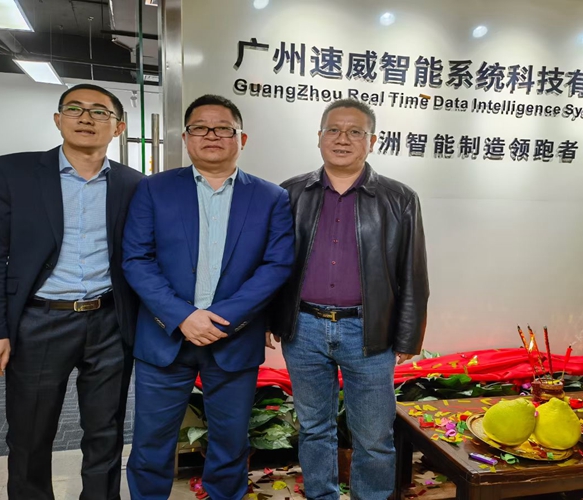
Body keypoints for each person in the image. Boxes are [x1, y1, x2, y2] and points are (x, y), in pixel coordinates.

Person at [0, 84, 143, 500]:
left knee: (106, 432)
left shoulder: (133, 184)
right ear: (58, 119)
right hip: (39, 320)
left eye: (99, 112)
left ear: (118, 127)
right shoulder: (10, 172)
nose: (86, 118)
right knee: (30, 433)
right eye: (74, 108)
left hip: (110, 322)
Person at [123, 94, 295, 500]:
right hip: (165, 337)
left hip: (233, 337)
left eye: (223, 128)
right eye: (200, 127)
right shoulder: (154, 189)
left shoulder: (272, 197)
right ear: (186, 138)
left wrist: (221, 318)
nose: (211, 135)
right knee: (151, 443)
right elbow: (136, 259)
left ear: (242, 138)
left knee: (230, 443)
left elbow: (276, 266)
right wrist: (183, 316)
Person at [268, 99, 429, 499]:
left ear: (372, 141)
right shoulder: (289, 193)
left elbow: (413, 272)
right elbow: (270, 264)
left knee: (374, 436)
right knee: (313, 429)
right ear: (319, 137)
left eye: (355, 131)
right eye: (333, 130)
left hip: (369, 332)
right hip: (304, 329)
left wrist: (408, 336)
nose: (343, 139)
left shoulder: (399, 198)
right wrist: (270, 319)